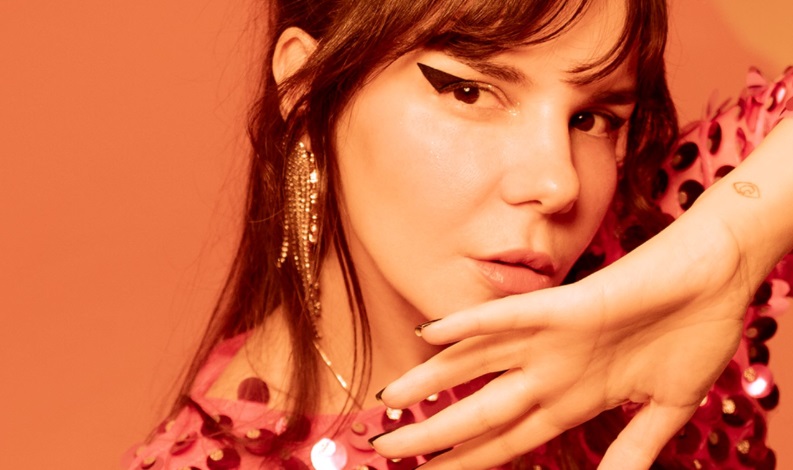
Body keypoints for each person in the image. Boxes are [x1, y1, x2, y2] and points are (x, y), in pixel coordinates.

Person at [122, 0, 792, 468]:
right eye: (469, 91)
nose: (557, 183)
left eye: (592, 118)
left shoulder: (660, 260)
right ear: (306, 85)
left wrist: (732, 247)